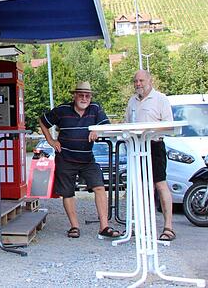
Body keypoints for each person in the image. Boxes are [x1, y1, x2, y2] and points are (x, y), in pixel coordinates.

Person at [38, 81, 120, 239]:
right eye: (81, 95)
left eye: (87, 95)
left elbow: (107, 127)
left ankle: (104, 226)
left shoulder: (95, 109)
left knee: (99, 187)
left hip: (87, 158)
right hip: (66, 158)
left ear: (91, 97)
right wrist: (51, 141)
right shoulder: (62, 110)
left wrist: (98, 130)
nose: (84, 98)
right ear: (74, 96)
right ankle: (74, 226)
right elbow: (42, 121)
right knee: (68, 193)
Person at [124, 69, 176, 242]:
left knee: (160, 185)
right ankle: (144, 226)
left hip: (154, 146)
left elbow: (169, 126)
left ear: (149, 81)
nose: (138, 84)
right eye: (135, 81)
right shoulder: (132, 101)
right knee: (141, 188)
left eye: (141, 80)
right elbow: (126, 124)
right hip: (137, 148)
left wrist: (151, 131)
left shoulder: (160, 99)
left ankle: (168, 227)